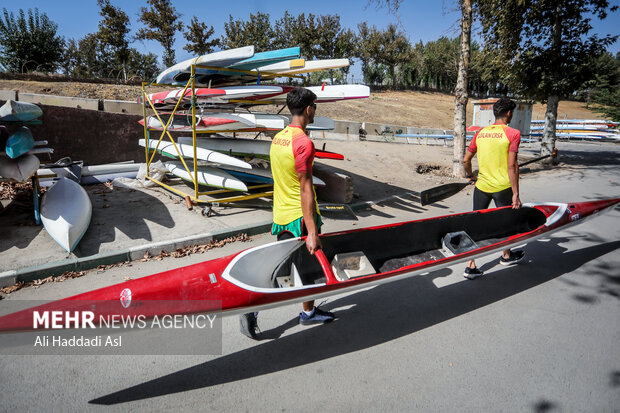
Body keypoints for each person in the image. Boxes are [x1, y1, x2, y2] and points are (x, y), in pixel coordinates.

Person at [239, 87, 335, 339]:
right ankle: (254, 305)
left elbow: (281, 177)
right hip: (299, 218)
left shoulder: (279, 138)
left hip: (281, 214)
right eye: (315, 106)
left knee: (295, 269)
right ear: (308, 109)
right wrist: (312, 231)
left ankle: (307, 312)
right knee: (299, 272)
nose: (315, 111)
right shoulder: (304, 143)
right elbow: (305, 189)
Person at [462, 97, 525, 279]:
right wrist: (515, 194)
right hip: (502, 187)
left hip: (481, 186)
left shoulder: (480, 133)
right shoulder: (513, 133)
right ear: (508, 113)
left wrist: (470, 176)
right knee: (505, 223)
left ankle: (470, 265)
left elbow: (466, 160)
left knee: (475, 224)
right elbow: (512, 166)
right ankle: (506, 255)